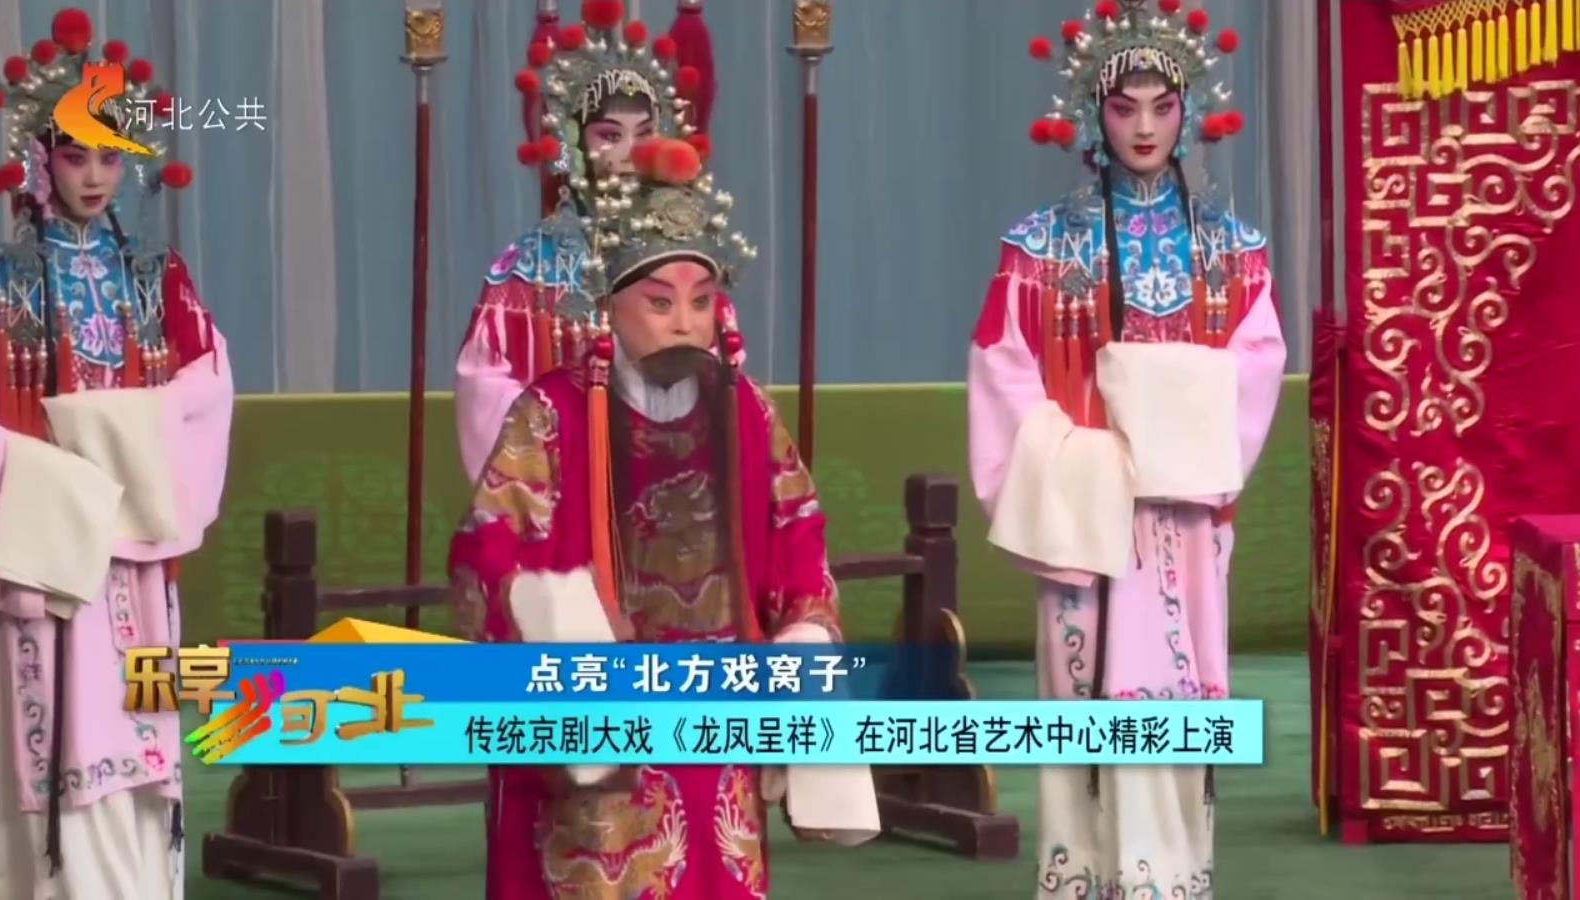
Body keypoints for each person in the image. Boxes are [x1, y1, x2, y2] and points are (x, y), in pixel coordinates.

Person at [448, 135, 879, 899]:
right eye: (660, 301)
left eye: (701, 301)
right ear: (611, 306)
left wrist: (804, 633)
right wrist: (563, 614)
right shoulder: (551, 414)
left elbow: (797, 532)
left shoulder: (745, 411)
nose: (685, 321)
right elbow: (490, 548)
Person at [966, 1, 1286, 896]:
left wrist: (1177, 452)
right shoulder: (1038, 249)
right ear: (1091, 113)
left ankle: (1172, 877)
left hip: (1184, 521)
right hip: (1085, 515)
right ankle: (1081, 875)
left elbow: (1257, 363)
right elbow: (1002, 368)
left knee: (1175, 705)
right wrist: (1087, 465)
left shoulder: (1232, 250)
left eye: (1162, 105)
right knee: (1080, 703)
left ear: (1190, 109)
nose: (1144, 126)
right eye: (1123, 106)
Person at [0, 9, 231, 898]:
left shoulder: (158, 279)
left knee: (137, 708)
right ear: (39, 158)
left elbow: (208, 385)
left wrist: (131, 439)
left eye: (110, 156)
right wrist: (48, 477)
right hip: (46, 542)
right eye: (75, 155)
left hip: (136, 546)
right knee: (51, 707)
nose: (93, 176)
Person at [453, 0, 735, 484]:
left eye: (644, 133)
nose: (629, 153)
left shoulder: (684, 255)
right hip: (560, 491)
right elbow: (487, 394)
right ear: (574, 144)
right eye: (609, 135)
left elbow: (722, 370)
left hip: (678, 490)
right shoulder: (529, 268)